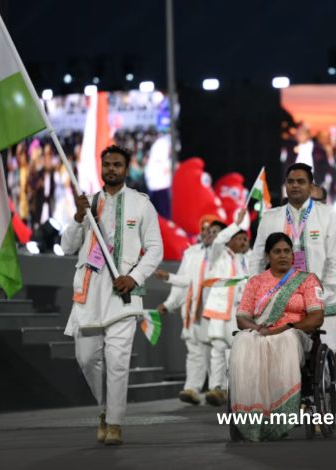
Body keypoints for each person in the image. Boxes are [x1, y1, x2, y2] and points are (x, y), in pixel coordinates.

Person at [61, 145, 163, 446]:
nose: (111, 169)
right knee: (86, 357)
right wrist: (80, 216)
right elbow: (68, 246)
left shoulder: (141, 204)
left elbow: (155, 248)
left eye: (117, 164)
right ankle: (104, 408)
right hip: (90, 293)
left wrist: (134, 277)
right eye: (107, 164)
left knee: (117, 361)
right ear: (101, 166)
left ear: (126, 168)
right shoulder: (88, 203)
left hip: (124, 295)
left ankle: (115, 422)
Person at [229, 233, 325, 441]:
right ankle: (253, 415)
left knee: (285, 339)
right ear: (267, 256)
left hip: (295, 333)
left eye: (286, 251)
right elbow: (242, 317)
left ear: (293, 255)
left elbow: (317, 317)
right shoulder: (255, 282)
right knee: (243, 340)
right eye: (277, 251)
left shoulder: (307, 280)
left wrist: (289, 326)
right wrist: (257, 329)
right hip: (262, 332)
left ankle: (281, 414)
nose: (282, 256)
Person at [249, 163, 336, 355]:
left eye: (301, 182)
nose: (295, 186)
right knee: (281, 359)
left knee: (320, 359)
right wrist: (257, 292)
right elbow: (257, 259)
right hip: (279, 304)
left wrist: (323, 293)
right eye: (291, 182)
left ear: (311, 187)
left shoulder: (328, 215)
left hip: (321, 302)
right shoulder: (271, 218)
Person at [157, 217, 226, 405]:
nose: (206, 233)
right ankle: (192, 389)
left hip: (216, 310)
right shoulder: (192, 253)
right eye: (203, 229)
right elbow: (183, 281)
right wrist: (169, 304)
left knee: (216, 350)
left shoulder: (225, 253)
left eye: (211, 230)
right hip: (193, 312)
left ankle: (219, 388)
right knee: (195, 350)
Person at [199, 210, 250, 406]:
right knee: (218, 348)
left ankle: (233, 389)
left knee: (236, 351)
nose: (243, 243)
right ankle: (216, 388)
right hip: (221, 309)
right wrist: (236, 224)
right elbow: (219, 239)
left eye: (245, 239)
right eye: (239, 239)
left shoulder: (245, 259)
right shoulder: (218, 254)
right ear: (231, 240)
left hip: (240, 311)